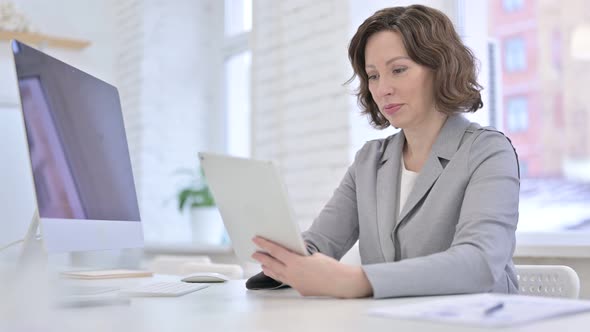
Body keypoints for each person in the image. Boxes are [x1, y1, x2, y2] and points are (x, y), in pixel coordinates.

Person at [249, 4, 520, 299]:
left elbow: (479, 263)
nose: (382, 89)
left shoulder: (488, 151)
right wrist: (283, 256)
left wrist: (359, 280)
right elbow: (321, 243)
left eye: (398, 70)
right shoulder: (370, 160)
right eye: (373, 75)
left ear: (441, 68)